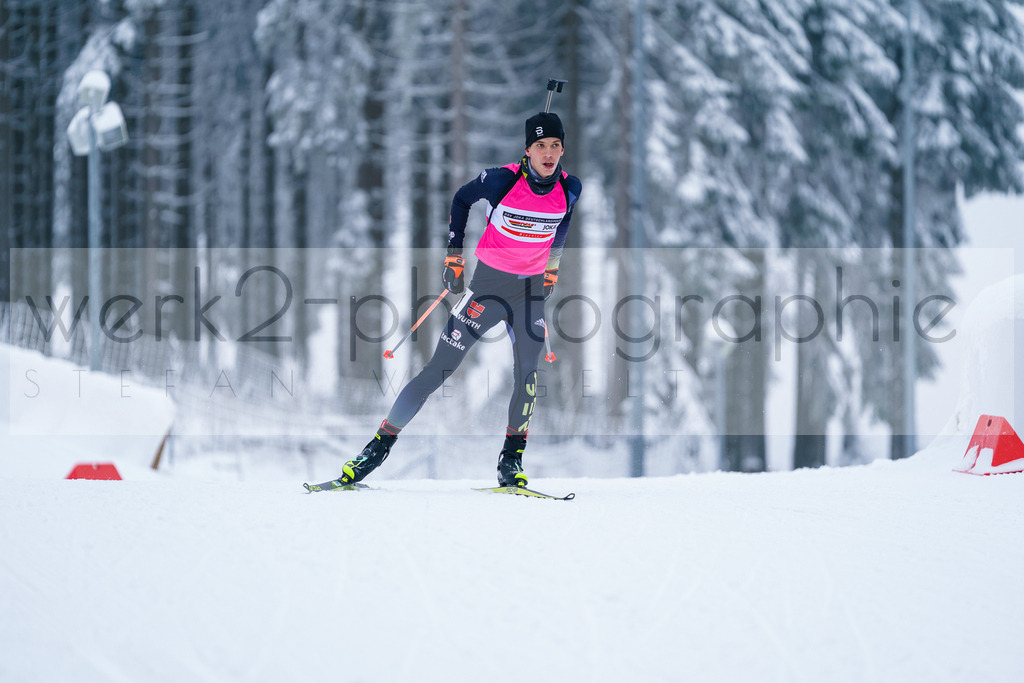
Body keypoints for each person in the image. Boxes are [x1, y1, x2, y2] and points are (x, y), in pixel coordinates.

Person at [337, 111, 583, 488]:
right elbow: (461, 199)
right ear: (527, 150)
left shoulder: (570, 188)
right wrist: (454, 256)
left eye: (555, 145)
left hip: (530, 292)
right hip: (488, 288)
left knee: (527, 374)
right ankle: (377, 448)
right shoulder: (501, 180)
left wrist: (552, 268)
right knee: (439, 369)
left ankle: (511, 461)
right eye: (540, 146)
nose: (548, 153)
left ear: (563, 149)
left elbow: (563, 223)